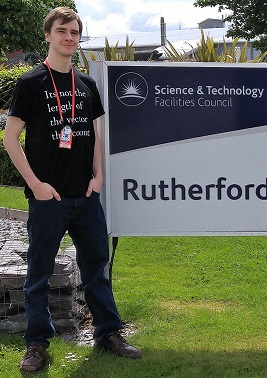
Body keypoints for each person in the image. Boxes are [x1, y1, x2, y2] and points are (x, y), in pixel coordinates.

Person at [3, 7, 141, 373]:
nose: (69, 37)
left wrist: (98, 178)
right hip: (50, 198)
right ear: (47, 35)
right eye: (62, 31)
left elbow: (96, 136)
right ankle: (36, 345)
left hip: (86, 196)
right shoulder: (30, 83)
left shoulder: (86, 84)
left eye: (75, 32)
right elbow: (11, 137)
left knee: (97, 268)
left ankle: (108, 333)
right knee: (39, 273)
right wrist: (35, 185)